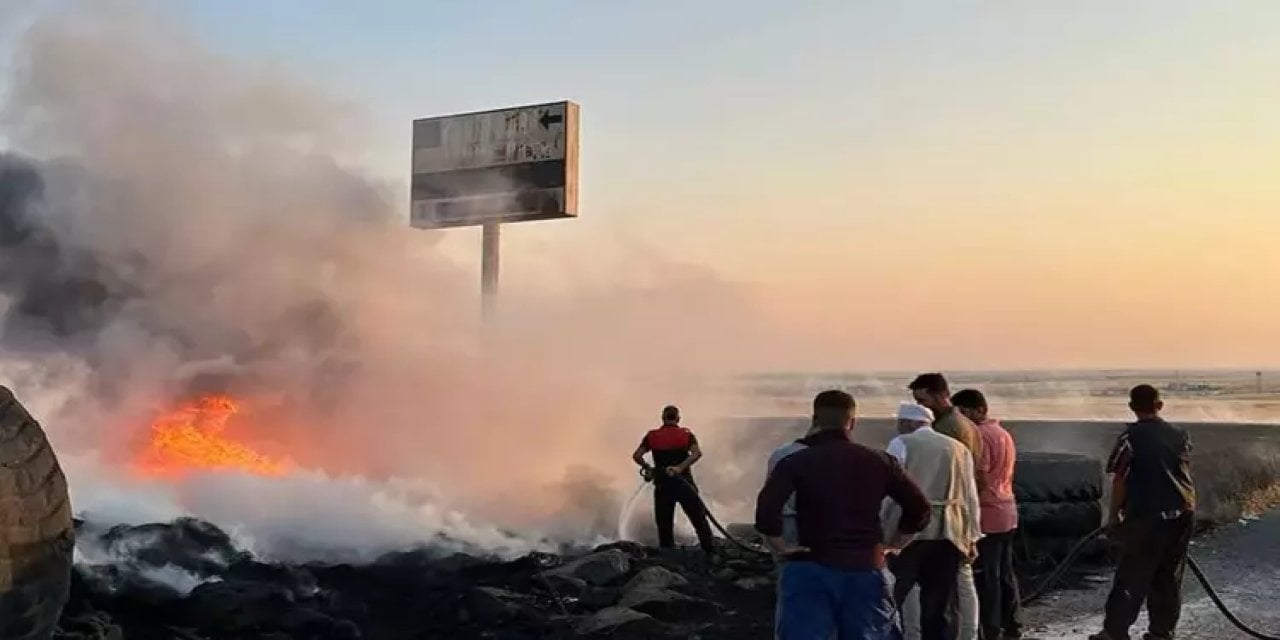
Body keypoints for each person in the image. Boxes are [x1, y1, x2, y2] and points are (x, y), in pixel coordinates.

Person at [756, 390, 932, 640]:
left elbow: (766, 512)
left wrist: (781, 547)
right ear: (852, 422)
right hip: (865, 566)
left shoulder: (795, 461)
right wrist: (895, 545)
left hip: (810, 565)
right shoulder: (880, 461)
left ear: (815, 419)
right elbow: (920, 509)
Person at [1089, 385, 1196, 640]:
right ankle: (1162, 632)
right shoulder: (1180, 434)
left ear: (1132, 407)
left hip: (1146, 518)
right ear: (1160, 405)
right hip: (1182, 513)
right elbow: (1183, 470)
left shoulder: (1129, 438)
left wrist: (1113, 516)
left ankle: (1114, 632)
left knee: (1131, 576)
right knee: (1169, 577)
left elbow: (1120, 480)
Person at [883, 400, 983, 640]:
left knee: (892, 597)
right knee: (938, 605)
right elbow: (970, 496)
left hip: (909, 533)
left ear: (906, 422)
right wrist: (972, 536)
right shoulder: (959, 449)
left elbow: (889, 490)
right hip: (949, 533)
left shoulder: (901, 444)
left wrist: (882, 530)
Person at [953, 388, 1023, 640]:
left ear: (978, 410)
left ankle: (990, 628)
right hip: (1008, 510)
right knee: (1005, 573)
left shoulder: (978, 436)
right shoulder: (1003, 433)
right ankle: (1013, 624)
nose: (961, 419)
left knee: (986, 576)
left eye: (964, 412)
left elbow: (979, 476)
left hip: (987, 513)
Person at [631, 405, 716, 556]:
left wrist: (648, 468)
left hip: (663, 485)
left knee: (664, 523)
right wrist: (680, 467)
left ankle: (667, 555)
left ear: (663, 418)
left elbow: (637, 455)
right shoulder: (686, 434)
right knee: (698, 519)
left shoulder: (652, 436)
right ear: (678, 418)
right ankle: (710, 551)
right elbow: (697, 454)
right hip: (685, 484)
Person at [766, 421, 821, 552]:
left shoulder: (780, 454)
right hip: (813, 525)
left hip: (783, 525)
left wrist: (776, 542)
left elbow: (768, 503)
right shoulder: (827, 457)